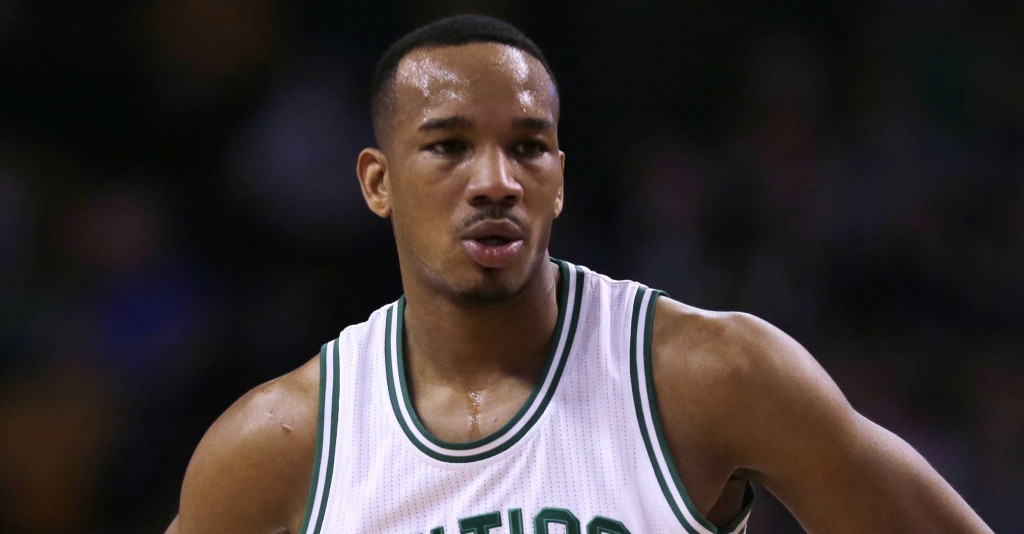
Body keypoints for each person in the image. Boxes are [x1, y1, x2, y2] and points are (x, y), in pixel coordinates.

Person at [167, 14, 992, 534]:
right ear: (378, 182)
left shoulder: (712, 375)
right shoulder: (282, 443)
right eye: (449, 147)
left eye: (527, 147)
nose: (495, 181)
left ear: (558, 178)